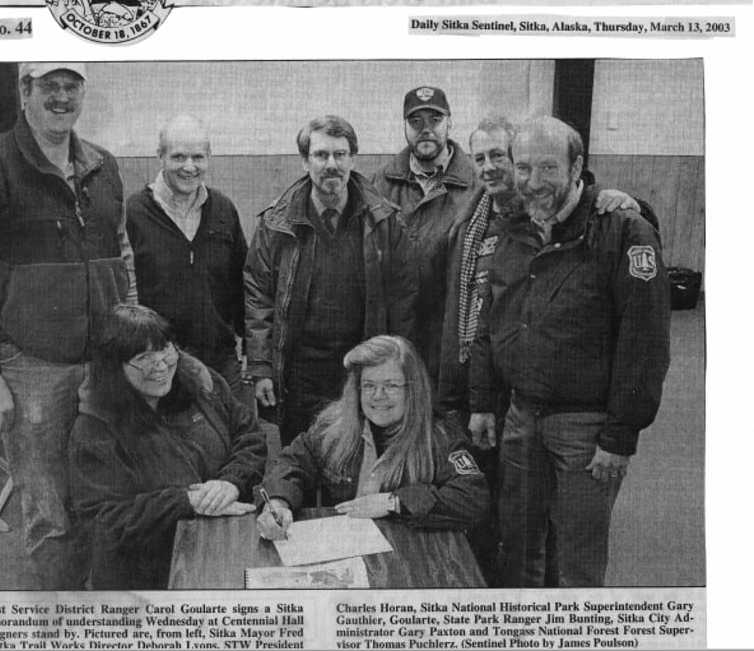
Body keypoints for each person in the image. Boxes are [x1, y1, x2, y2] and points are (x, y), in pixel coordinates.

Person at [0, 62, 136, 590]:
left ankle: (106, 608)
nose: (61, 96)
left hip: (103, 362)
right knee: (50, 510)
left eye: (71, 85)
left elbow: (121, 256)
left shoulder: (103, 165)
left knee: (108, 491)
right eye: (49, 85)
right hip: (31, 371)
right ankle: (61, 618)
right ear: (25, 90)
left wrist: (133, 337)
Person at [468, 116, 671, 587]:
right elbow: (488, 324)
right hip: (522, 417)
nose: (532, 182)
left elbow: (645, 344)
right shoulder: (513, 230)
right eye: (523, 168)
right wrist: (482, 402)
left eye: (548, 168)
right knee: (518, 551)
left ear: (577, 165)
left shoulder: (622, 230)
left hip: (587, 428)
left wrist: (619, 437)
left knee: (578, 561)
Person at [244, 115, 417, 446]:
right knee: (301, 461)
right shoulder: (276, 224)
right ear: (305, 161)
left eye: (340, 154)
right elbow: (258, 296)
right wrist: (261, 367)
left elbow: (404, 299)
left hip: (363, 372)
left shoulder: (385, 222)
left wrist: (397, 368)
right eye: (321, 155)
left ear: (353, 158)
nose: (331, 165)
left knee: (360, 460)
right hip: (298, 373)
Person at [68, 305, 266, 590]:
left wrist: (231, 482)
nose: (161, 365)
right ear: (114, 366)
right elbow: (105, 520)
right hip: (149, 576)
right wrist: (186, 502)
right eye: (143, 357)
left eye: (164, 349)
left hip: (224, 543)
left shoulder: (201, 381)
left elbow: (249, 435)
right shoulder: (94, 430)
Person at [256, 335, 489, 539]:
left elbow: (473, 499)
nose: (378, 396)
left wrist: (395, 502)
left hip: (407, 555)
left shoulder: (440, 437)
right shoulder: (333, 427)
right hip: (343, 549)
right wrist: (277, 503)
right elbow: (290, 463)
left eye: (391, 385)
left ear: (413, 389)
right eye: (369, 385)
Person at [127, 114, 247, 392]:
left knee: (236, 434)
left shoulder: (223, 209)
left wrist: (251, 348)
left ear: (209, 157)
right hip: (158, 364)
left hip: (221, 361)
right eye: (179, 157)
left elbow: (243, 282)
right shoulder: (134, 212)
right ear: (160, 156)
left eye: (198, 157)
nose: (189, 167)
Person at [371, 86, 478, 388]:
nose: (426, 130)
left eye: (435, 120)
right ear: (405, 127)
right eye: (416, 122)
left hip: (451, 331)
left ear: (450, 123)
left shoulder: (476, 184)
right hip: (397, 331)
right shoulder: (379, 183)